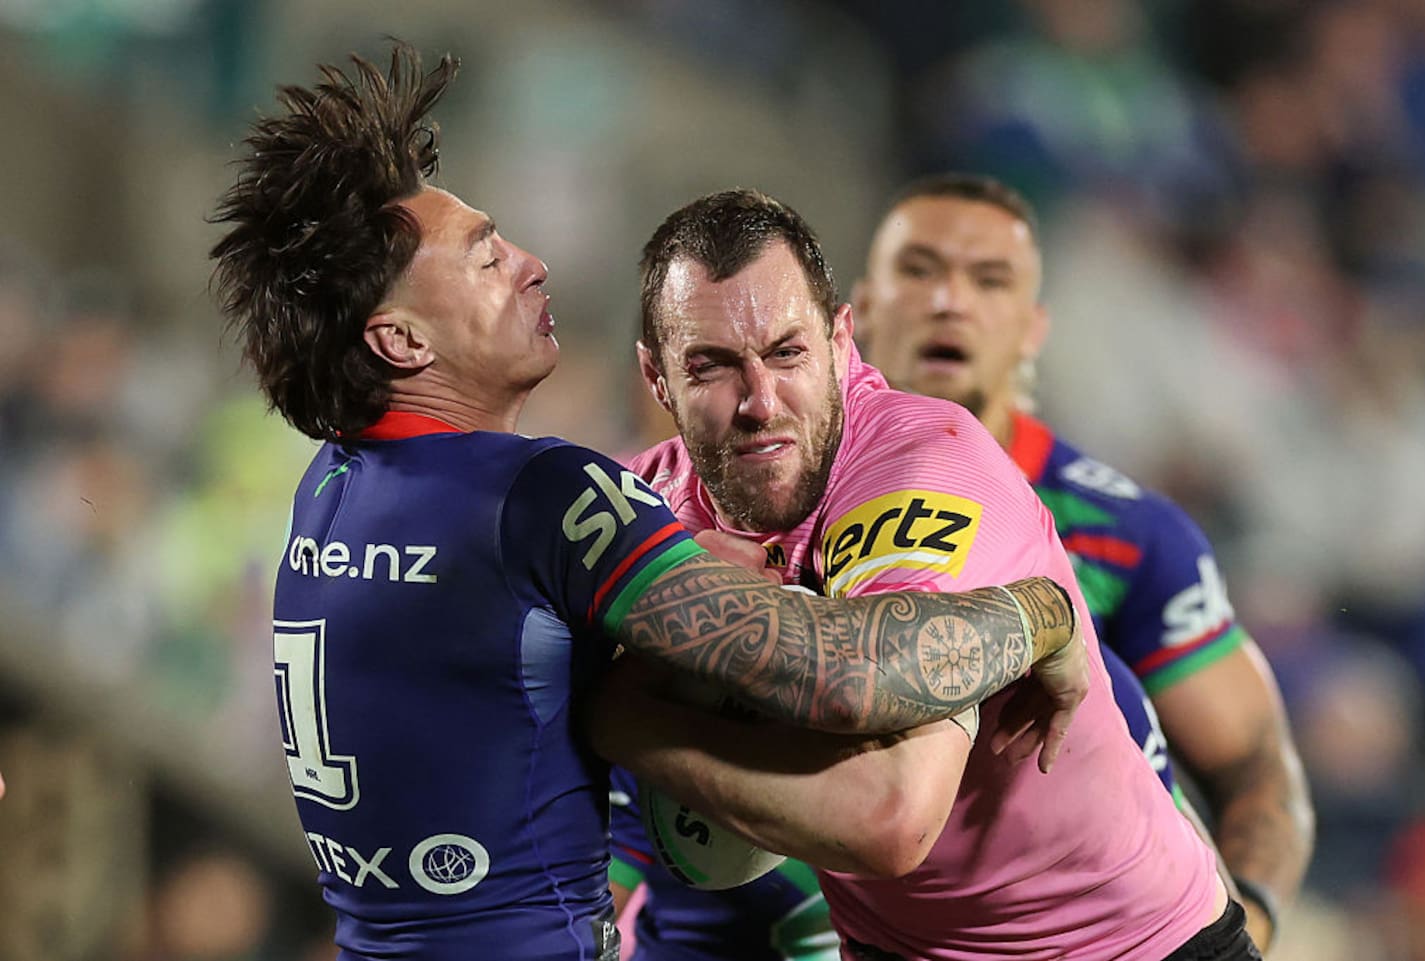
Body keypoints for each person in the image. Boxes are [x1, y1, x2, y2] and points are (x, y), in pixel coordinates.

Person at [206, 48, 1085, 961]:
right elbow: (842, 676)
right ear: (400, 340)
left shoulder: (328, 487)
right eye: (487, 257)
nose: (532, 265)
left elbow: (492, 660)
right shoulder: (542, 496)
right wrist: (1040, 613)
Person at [592, 188, 1258, 960]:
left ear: (842, 340)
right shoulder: (638, 505)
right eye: (712, 366)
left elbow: (889, 817)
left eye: (787, 352)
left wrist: (622, 715)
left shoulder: (923, 463)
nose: (760, 402)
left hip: (1126, 947)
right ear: (657, 376)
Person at [851, 173, 1314, 953]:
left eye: (989, 280)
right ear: (859, 308)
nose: (949, 301)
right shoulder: (786, 505)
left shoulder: (1129, 536)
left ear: (1033, 326)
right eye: (919, 270)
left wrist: (1244, 927)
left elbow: (1258, 769)